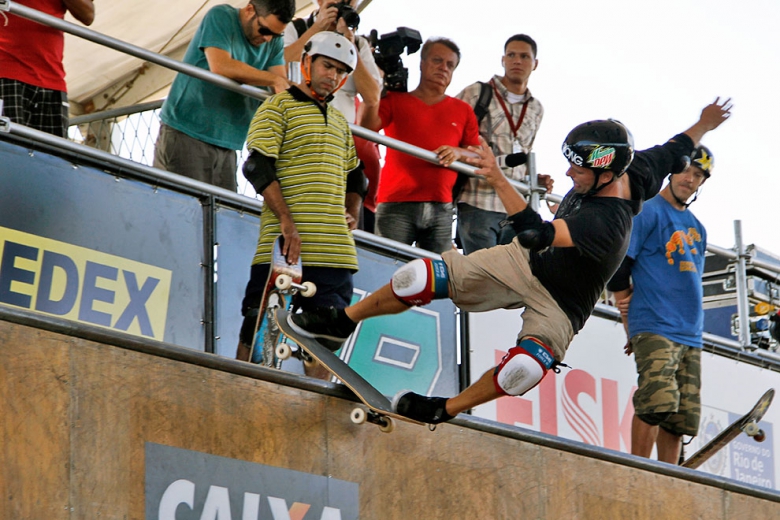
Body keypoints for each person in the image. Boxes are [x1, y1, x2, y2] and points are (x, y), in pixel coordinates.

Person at [286, 99, 731, 424]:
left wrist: (497, 178)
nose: (570, 175)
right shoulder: (639, 168)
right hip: (525, 263)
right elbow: (678, 146)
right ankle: (341, 321)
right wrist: (705, 123)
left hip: (561, 304)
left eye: (578, 169)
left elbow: (536, 232)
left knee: (525, 370)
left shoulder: (608, 222)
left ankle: (443, 409)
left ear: (604, 173)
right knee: (416, 276)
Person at [236, 32, 366, 373]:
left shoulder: (340, 121)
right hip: (284, 248)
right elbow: (256, 165)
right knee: (260, 331)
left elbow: (357, 176)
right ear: (306, 63)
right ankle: (244, 405)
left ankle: (315, 417)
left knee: (323, 345)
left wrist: (352, 211)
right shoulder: (277, 106)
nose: (333, 75)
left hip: (335, 252)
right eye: (327, 65)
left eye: (341, 71)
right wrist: (287, 221)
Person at [607, 145, 714, 464]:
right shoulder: (647, 210)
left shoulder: (699, 228)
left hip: (690, 332)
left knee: (679, 419)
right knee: (655, 403)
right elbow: (620, 264)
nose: (690, 179)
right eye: (686, 171)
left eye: (698, 175)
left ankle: (672, 479)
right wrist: (627, 309)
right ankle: (638, 470)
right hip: (654, 322)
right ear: (672, 171)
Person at [153, 0, 294, 191]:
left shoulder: (273, 40)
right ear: (249, 10)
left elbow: (280, 83)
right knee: (182, 210)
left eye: (277, 34)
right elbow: (221, 66)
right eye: (264, 30)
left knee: (222, 215)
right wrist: (272, 80)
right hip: (187, 130)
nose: (269, 39)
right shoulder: (221, 16)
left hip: (228, 143)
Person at [359, 37, 480, 254]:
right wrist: (376, 88)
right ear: (422, 64)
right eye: (437, 60)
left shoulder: (463, 110)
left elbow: (477, 155)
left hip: (441, 206)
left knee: (436, 278)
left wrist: (457, 152)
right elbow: (366, 127)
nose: (443, 68)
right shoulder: (395, 100)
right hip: (396, 202)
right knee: (388, 269)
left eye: (450, 65)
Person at [282, 0, 382, 231]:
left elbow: (373, 96)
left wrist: (350, 48)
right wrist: (317, 28)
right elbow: (279, 64)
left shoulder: (359, 43)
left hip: (339, 145)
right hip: (300, 139)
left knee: (338, 221)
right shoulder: (296, 28)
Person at [455, 34, 544, 254]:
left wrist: (535, 179)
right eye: (511, 55)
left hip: (514, 205)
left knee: (508, 277)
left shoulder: (536, 108)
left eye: (524, 56)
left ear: (535, 64)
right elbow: (448, 132)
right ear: (502, 60)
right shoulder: (476, 92)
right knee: (482, 274)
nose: (517, 61)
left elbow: (524, 153)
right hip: (478, 200)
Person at [0, 0, 95, 137]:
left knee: (53, 154)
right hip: (7, 72)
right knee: (9, 149)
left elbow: (88, 15)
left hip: (52, 79)